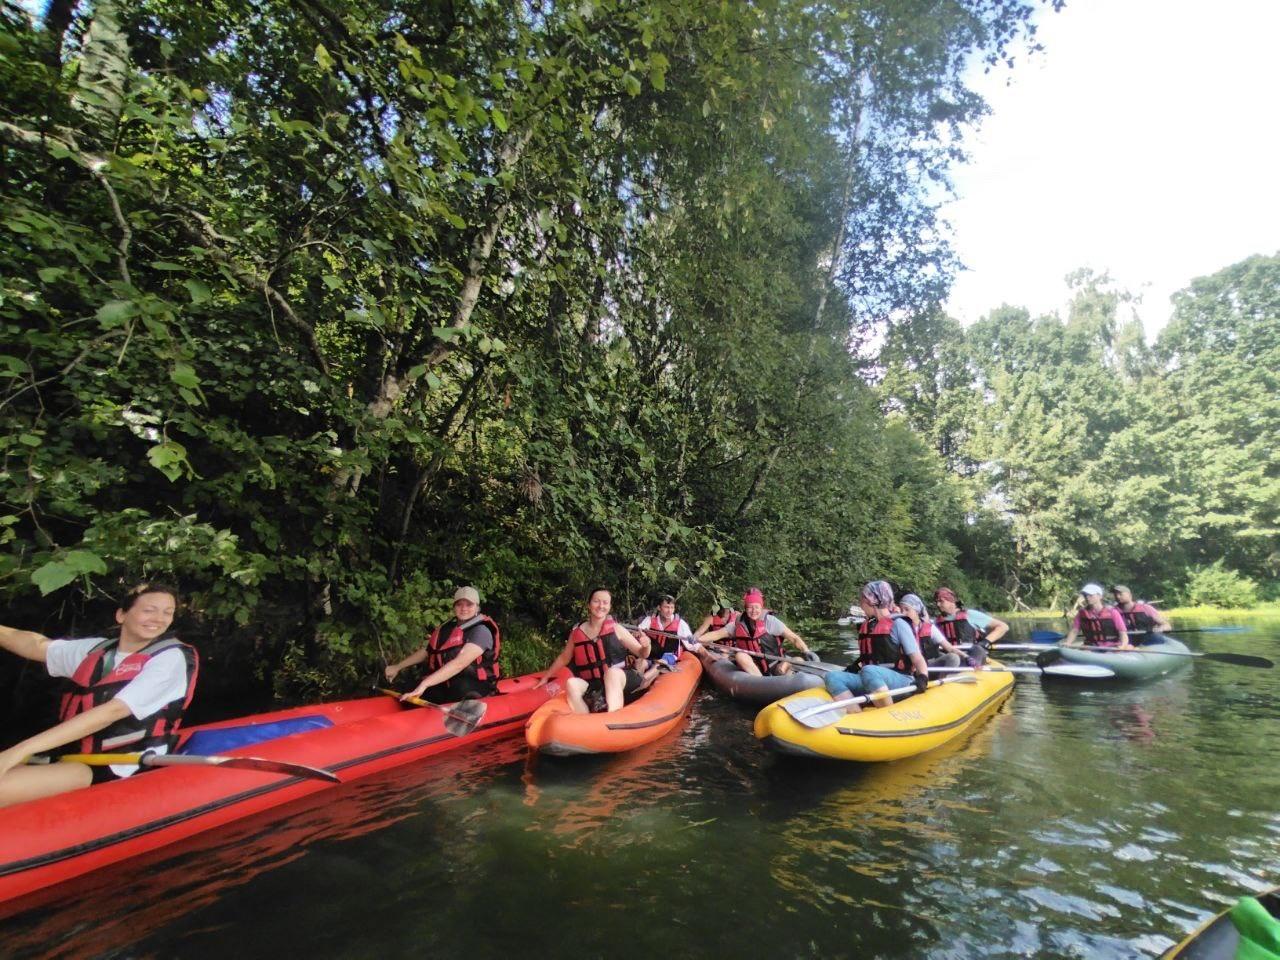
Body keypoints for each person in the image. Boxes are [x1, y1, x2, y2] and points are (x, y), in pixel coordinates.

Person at [0, 583, 196, 809]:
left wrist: (19, 751)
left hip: (120, 763)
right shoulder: (96, 651)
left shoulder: (171, 659)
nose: (159, 619)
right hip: (74, 757)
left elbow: (110, 712)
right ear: (122, 615)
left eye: (167, 612)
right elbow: (34, 646)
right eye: (149, 610)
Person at [534, 588, 651, 714]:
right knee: (571, 683)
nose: (601, 606)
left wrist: (646, 645)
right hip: (595, 685)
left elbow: (642, 653)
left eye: (605, 602)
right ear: (589, 605)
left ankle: (613, 719)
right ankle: (586, 723)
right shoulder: (576, 634)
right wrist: (546, 677)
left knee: (611, 673)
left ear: (610, 606)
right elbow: (564, 658)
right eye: (596, 601)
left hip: (622, 680)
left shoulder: (617, 629)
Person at [821, 580, 930, 714]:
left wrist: (923, 677)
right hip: (872, 679)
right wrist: (855, 666)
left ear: (871, 601)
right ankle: (857, 717)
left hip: (901, 680)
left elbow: (918, 659)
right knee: (832, 677)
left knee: (869, 671)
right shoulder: (870, 626)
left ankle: (888, 715)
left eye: (862, 601)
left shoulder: (899, 624)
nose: (861, 606)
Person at [390, 586, 502, 703]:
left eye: (469, 604)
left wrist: (425, 684)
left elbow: (459, 663)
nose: (464, 608)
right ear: (454, 607)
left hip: (475, 685)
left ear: (477, 608)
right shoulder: (447, 629)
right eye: (459, 604)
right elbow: (428, 652)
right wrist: (397, 667)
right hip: (449, 682)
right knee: (411, 686)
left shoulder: (481, 631)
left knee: (460, 687)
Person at [699, 588, 815, 676]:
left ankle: (787, 668)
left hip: (776, 663)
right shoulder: (738, 624)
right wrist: (697, 639)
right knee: (740, 656)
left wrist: (806, 650)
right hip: (755, 668)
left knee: (793, 663)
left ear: (761, 607)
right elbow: (717, 634)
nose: (753, 611)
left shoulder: (771, 622)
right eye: (750, 607)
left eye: (756, 607)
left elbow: (794, 638)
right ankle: (761, 683)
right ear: (745, 608)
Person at [932, 587, 1009, 667]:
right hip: (951, 657)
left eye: (941, 601)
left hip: (971, 654)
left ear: (951, 601)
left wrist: (985, 643)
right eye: (936, 602)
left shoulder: (970, 615)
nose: (938, 605)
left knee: (978, 649)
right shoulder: (936, 622)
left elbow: (1003, 627)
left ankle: (974, 667)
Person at [634, 594, 700, 667]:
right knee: (640, 663)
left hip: (669, 656)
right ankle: (638, 677)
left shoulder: (680, 623)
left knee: (659, 664)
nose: (669, 611)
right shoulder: (649, 620)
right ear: (659, 607)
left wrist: (692, 639)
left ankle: (647, 677)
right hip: (651, 655)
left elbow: (691, 643)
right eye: (666, 607)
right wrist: (638, 635)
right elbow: (638, 632)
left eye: (672, 608)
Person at [899, 593, 962, 668]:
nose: (903, 613)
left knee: (953, 658)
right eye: (901, 610)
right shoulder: (898, 627)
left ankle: (943, 679)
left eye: (907, 610)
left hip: (927, 667)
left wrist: (967, 657)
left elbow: (950, 648)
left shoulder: (929, 628)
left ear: (917, 611)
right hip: (907, 668)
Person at [1061, 583, 1131, 648]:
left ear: (1099, 596)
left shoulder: (1113, 612)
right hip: (1091, 646)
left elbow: (1122, 633)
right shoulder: (1081, 613)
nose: (1087, 598)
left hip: (1111, 647)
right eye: (1085, 595)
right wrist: (1068, 643)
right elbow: (1074, 630)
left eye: (1091, 595)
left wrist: (1123, 645)